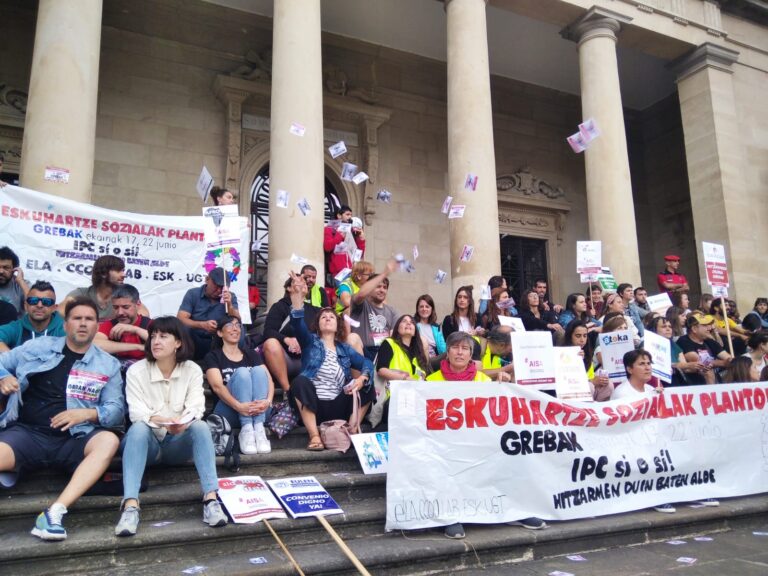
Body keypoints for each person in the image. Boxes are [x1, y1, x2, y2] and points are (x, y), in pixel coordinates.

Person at [0, 297, 124, 541]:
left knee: (108, 440)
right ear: (65, 324)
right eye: (77, 318)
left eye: (89, 319)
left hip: (74, 438)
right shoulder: (38, 347)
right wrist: (3, 376)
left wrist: (87, 413)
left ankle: (54, 513)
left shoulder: (108, 364)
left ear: (97, 326)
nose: (83, 323)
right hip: (28, 435)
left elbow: (116, 410)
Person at [115, 316, 227, 537]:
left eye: (163, 336)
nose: (156, 341)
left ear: (178, 342)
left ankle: (211, 500)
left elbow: (196, 407)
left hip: (177, 443)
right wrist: (164, 421)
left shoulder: (192, 369)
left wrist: (182, 423)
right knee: (138, 429)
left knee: (200, 426)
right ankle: (130, 506)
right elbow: (137, 413)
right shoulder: (136, 371)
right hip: (147, 444)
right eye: (153, 336)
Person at [426, 332, 546, 538]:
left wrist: (505, 385)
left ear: (471, 354)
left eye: (465, 349)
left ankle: (514, 510)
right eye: (455, 347)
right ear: (447, 352)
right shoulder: (430, 381)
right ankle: (450, 516)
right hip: (446, 447)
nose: (460, 352)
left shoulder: (483, 380)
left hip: (479, 443)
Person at [286, 272, 374, 452]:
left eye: (332, 317)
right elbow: (296, 323)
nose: (327, 318)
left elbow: (367, 363)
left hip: (338, 404)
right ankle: (314, 436)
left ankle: (352, 428)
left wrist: (361, 378)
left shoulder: (344, 349)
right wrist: (297, 297)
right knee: (300, 382)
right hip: (314, 405)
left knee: (368, 386)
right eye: (323, 317)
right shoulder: (310, 341)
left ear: (337, 325)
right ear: (317, 324)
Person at [204, 316, 273, 454]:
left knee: (259, 371)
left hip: (258, 411)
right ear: (220, 333)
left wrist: (268, 401)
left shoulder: (251, 354)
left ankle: (259, 430)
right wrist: (239, 406)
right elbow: (217, 387)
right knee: (242, 373)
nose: (235, 328)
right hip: (230, 410)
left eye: (238, 325)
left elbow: (269, 380)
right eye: (230, 325)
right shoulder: (213, 356)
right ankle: (246, 431)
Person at [262, 276, 321, 393]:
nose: (303, 285)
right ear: (289, 288)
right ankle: (287, 391)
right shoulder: (279, 306)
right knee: (270, 343)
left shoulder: (315, 310)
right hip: (285, 358)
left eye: (304, 283)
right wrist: (287, 339)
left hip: (308, 357)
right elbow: (268, 331)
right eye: (297, 282)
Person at [370, 314, 430, 426]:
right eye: (404, 321)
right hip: (392, 397)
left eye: (411, 322)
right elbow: (381, 370)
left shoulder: (418, 354)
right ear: (397, 328)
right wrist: (405, 378)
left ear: (415, 331)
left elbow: (423, 378)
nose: (408, 323)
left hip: (415, 398)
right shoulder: (389, 343)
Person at [177, 267, 240, 360]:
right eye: (216, 286)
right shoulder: (193, 294)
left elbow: (237, 319)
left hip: (218, 338)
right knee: (183, 329)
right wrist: (202, 325)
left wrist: (229, 304)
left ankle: (233, 360)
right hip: (194, 335)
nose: (219, 290)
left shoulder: (230, 296)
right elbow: (181, 318)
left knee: (239, 330)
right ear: (207, 280)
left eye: (222, 287)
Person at [93, 284, 150, 374]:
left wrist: (136, 329)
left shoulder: (149, 324)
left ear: (138, 304)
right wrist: (138, 347)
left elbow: (164, 343)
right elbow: (95, 345)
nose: (120, 312)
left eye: (125, 307)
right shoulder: (110, 324)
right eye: (116, 307)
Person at [350, 260, 399, 361]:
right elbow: (361, 294)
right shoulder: (360, 304)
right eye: (378, 286)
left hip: (385, 352)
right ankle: (365, 371)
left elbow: (395, 335)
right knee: (352, 338)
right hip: (364, 351)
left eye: (385, 287)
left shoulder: (392, 311)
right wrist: (384, 273)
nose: (382, 290)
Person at [0, 281, 65, 351]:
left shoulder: (64, 328)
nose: (39, 305)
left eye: (47, 302)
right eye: (33, 301)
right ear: (25, 306)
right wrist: (10, 357)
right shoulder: (16, 327)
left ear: (54, 308)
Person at [562, 320, 612, 400]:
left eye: (585, 336)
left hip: (589, 387)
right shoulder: (561, 354)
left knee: (608, 385)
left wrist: (598, 379)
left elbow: (590, 375)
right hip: (570, 391)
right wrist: (575, 359)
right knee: (589, 386)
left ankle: (600, 407)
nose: (582, 340)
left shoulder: (587, 352)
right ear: (570, 336)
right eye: (578, 336)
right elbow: (566, 380)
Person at [676, 314, 732, 385]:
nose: (709, 328)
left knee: (740, 364)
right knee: (706, 369)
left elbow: (728, 358)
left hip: (717, 377)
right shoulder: (683, 341)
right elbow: (700, 362)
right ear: (694, 329)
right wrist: (722, 363)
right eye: (705, 325)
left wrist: (730, 361)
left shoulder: (709, 340)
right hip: (696, 382)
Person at [645, 316, 697, 387]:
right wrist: (683, 365)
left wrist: (698, 367)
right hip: (658, 381)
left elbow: (684, 365)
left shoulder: (674, 345)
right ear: (654, 329)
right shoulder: (647, 344)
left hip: (676, 379)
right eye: (664, 326)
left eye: (670, 326)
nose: (668, 329)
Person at [324, 204, 366, 281]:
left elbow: (359, 255)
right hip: (338, 273)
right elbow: (327, 247)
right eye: (347, 214)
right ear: (339, 216)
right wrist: (339, 236)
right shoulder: (330, 229)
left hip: (352, 272)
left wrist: (361, 240)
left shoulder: (352, 231)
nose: (350, 217)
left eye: (351, 215)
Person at [414, 294, 446, 361]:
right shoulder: (413, 324)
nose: (424, 309)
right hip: (419, 357)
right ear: (417, 309)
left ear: (431, 309)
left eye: (427, 307)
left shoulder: (436, 327)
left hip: (435, 358)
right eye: (421, 307)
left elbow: (443, 347)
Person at [0, 246, 29, 316]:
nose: (1, 271)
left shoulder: (22, 285)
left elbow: (34, 306)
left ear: (14, 269)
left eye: (6, 268)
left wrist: (21, 282)